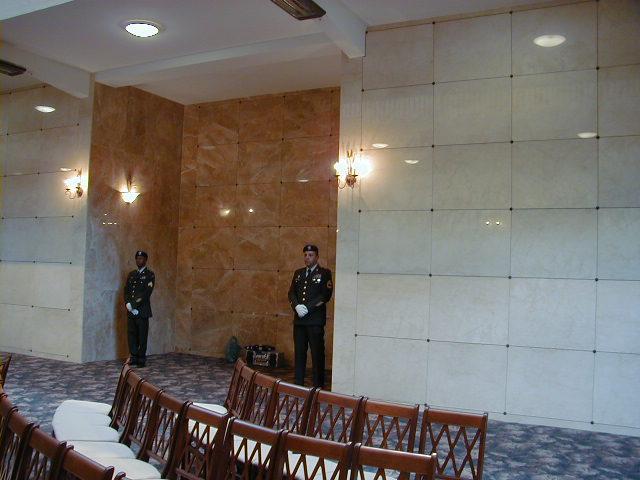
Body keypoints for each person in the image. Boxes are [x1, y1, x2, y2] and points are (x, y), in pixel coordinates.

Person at [288, 244, 333, 388]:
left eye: (311, 255)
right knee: (299, 354)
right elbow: (291, 293)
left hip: (315, 322)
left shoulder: (324, 273)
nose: (307, 257)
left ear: (317, 257)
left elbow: (325, 296)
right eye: (306, 255)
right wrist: (296, 306)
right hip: (300, 322)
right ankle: (298, 384)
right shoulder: (298, 273)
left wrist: (307, 308)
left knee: (317, 354)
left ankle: (317, 386)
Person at [124, 251, 155, 367]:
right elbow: (126, 290)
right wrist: (128, 304)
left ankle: (141, 358)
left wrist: (134, 305)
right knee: (131, 334)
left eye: (141, 258)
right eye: (137, 258)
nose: (139, 261)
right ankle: (134, 356)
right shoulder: (131, 274)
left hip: (142, 311)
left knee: (142, 335)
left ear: (145, 260)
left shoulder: (150, 275)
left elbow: (146, 293)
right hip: (131, 310)